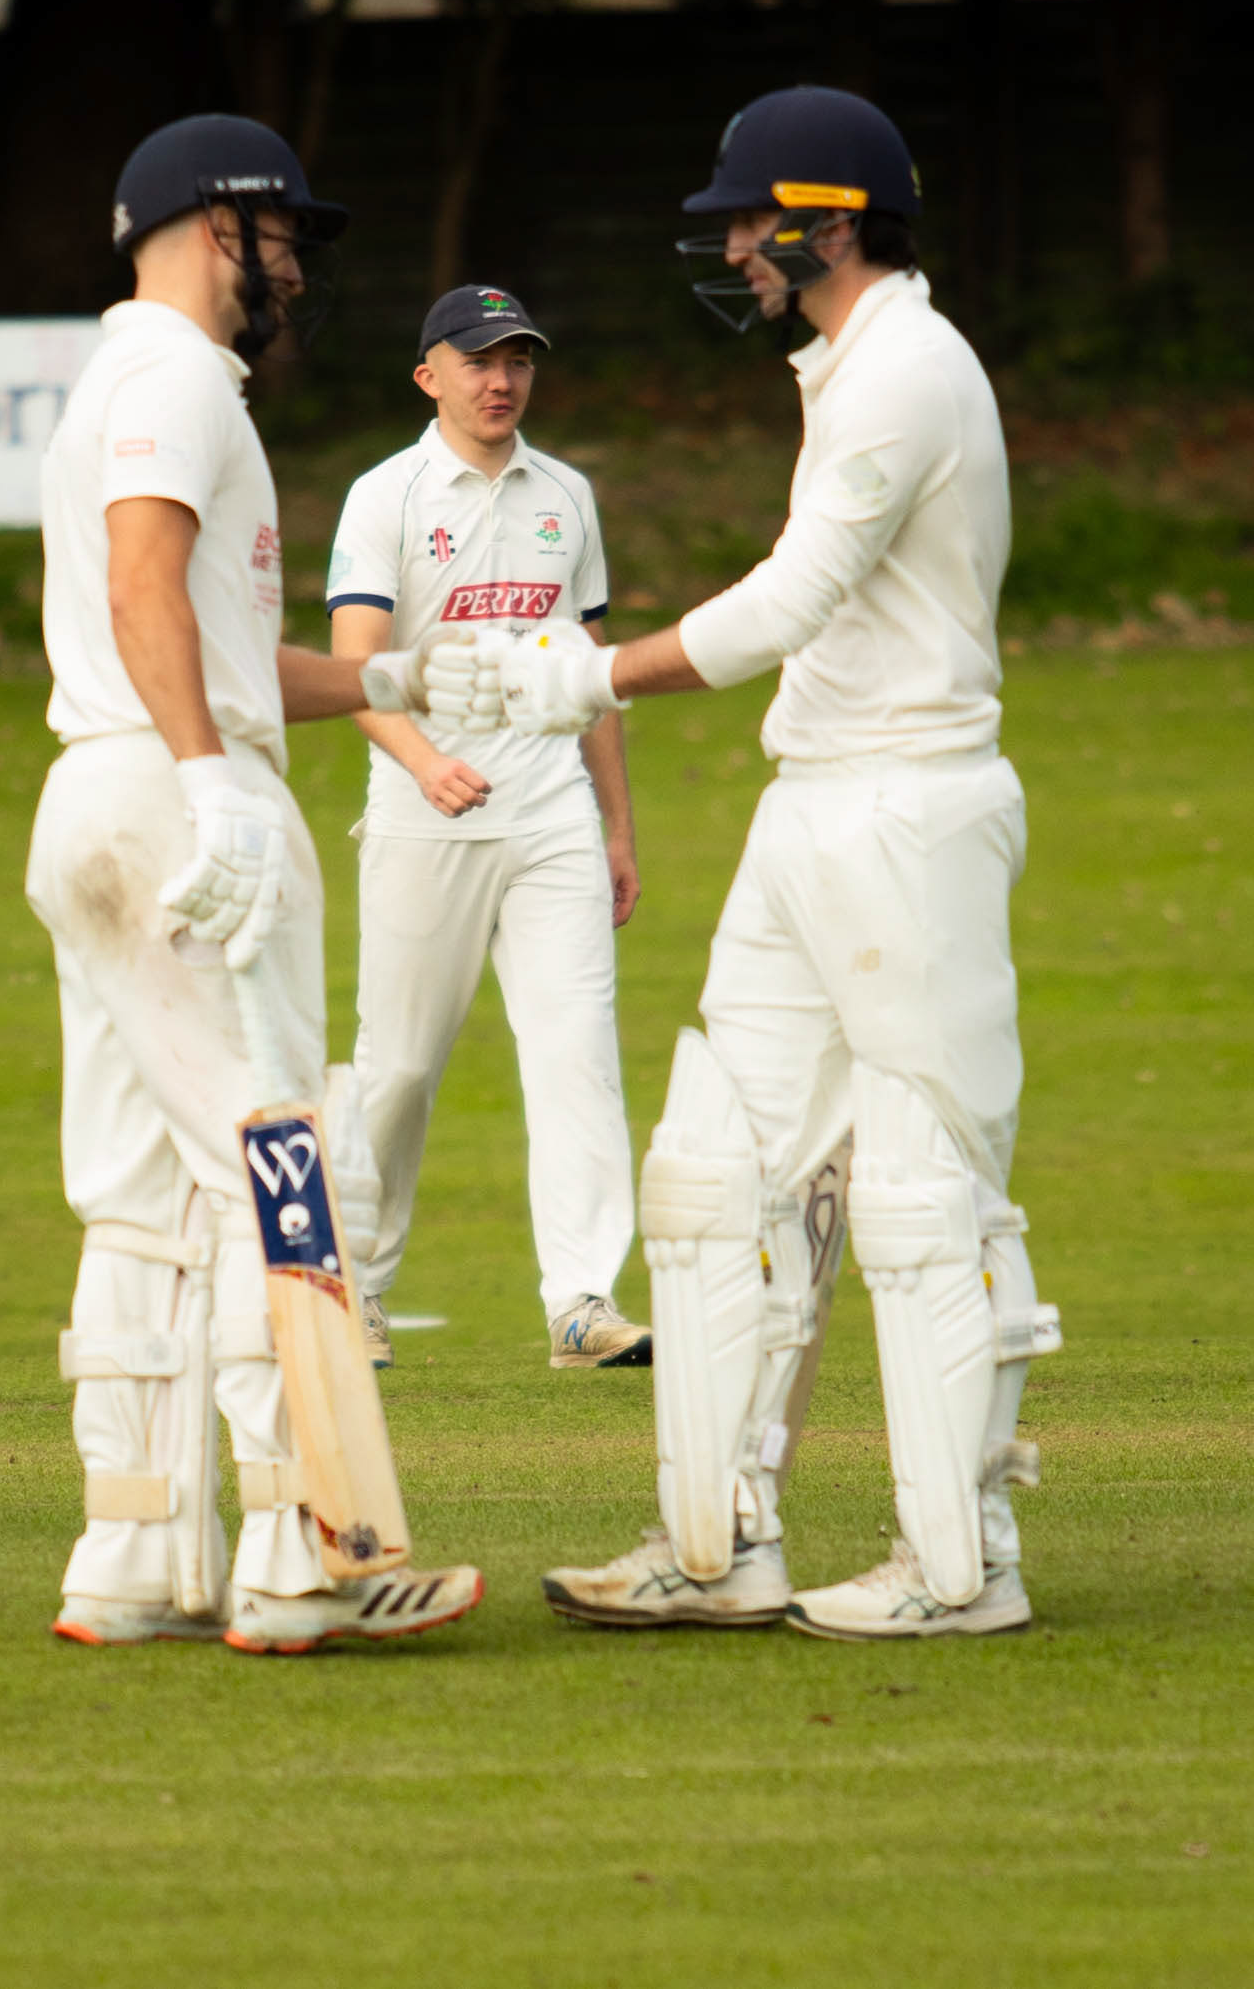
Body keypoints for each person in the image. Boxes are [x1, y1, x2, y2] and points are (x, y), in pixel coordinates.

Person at [499, 86, 1060, 1639]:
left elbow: (788, 597)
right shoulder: (845, 367)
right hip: (812, 797)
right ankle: (714, 1539)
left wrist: (589, 676)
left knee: (925, 1192)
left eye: (751, 219)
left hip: (906, 807)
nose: (733, 246)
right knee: (716, 1171)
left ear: (829, 220)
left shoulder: (905, 374)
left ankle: (965, 1565)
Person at [24, 113, 489, 1653]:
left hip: (101, 795)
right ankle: (315, 1548)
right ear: (219, 226)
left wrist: (410, 675)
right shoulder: (171, 378)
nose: (292, 267)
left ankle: (135, 1556)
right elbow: (147, 587)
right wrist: (214, 783)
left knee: (145, 1183)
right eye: (285, 235)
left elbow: (213, 640)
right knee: (281, 1158)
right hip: (176, 798)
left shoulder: (110, 378)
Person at [326, 284, 650, 1371]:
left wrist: (617, 827)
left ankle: (584, 1301)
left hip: (550, 812)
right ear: (430, 376)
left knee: (575, 1055)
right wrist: (424, 763)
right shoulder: (389, 496)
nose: (501, 379)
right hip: (427, 817)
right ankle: (353, 1287)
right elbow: (352, 668)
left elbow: (591, 671)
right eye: (478, 361)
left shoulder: (567, 494)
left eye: (517, 360)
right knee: (401, 1067)